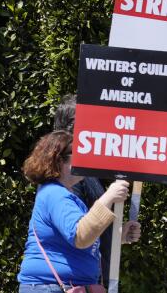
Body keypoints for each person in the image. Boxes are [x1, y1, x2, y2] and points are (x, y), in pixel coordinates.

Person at [17, 130, 130, 292]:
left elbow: (85, 238)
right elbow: (80, 235)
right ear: (59, 161)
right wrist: (109, 197)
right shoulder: (55, 194)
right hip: (50, 287)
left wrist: (120, 237)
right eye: (79, 154)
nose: (85, 160)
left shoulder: (61, 194)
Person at [51, 95, 140, 287]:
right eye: (92, 122)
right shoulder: (67, 175)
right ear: (73, 127)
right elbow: (77, 233)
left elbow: (92, 232)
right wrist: (109, 197)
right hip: (75, 282)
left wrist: (118, 237)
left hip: (91, 280)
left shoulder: (85, 173)